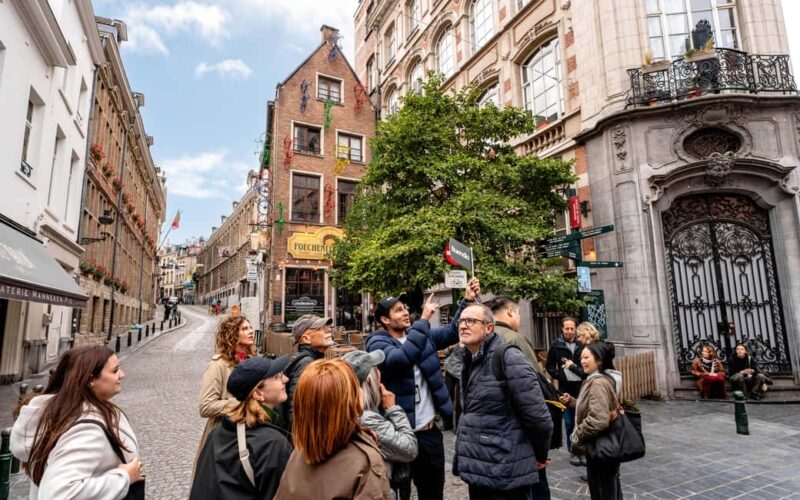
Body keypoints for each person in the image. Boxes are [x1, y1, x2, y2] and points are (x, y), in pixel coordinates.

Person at [366, 278, 480, 500]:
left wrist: (466, 301)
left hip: (429, 432)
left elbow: (450, 333)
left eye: (405, 308)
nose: (406, 312)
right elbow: (402, 359)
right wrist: (424, 319)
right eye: (399, 310)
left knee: (433, 492)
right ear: (384, 319)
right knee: (400, 493)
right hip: (398, 435)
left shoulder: (421, 335)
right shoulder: (377, 343)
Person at [11, 346, 142, 499]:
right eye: (114, 371)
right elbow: (58, 494)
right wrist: (123, 477)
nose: (122, 375)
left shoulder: (61, 412)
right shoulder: (86, 430)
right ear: (91, 379)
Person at [454, 304, 553, 500]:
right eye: (461, 321)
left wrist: (540, 456)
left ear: (488, 328)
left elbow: (539, 418)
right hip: (479, 469)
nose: (463, 326)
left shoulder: (508, 357)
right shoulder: (469, 358)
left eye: (471, 321)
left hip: (505, 471)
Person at [275, 359, 391, 499]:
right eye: (354, 386)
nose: (360, 390)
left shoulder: (300, 451)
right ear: (349, 403)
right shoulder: (366, 464)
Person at [190, 356, 293, 500]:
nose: (285, 380)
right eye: (277, 376)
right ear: (258, 394)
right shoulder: (273, 444)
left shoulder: (216, 434)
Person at [343, 349, 418, 500]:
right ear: (369, 380)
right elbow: (409, 449)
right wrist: (393, 409)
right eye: (376, 369)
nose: (380, 372)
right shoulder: (366, 419)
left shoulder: (352, 411)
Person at [559, 342, 623, 500]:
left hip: (600, 448)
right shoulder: (594, 379)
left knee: (602, 492)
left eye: (587, 357)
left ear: (599, 360)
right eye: (581, 358)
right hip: (602, 449)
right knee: (610, 490)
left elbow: (599, 419)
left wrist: (577, 435)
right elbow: (594, 407)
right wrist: (573, 402)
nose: (582, 361)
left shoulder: (597, 383)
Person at [196, 316, 257, 461]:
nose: (251, 332)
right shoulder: (218, 365)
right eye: (244, 329)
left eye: (250, 327)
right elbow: (205, 406)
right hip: (223, 436)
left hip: (248, 433)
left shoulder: (251, 360)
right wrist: (239, 403)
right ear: (231, 334)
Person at [278, 314, 334, 429]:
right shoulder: (306, 363)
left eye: (328, 327)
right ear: (306, 339)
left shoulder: (311, 359)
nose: (329, 330)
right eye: (321, 328)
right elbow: (296, 407)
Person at [545, 317, 582, 465]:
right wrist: (559, 375)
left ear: (575, 329)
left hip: (580, 388)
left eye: (572, 328)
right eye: (567, 328)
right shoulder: (556, 344)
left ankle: (582, 450)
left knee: (580, 421)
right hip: (564, 389)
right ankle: (573, 451)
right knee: (568, 422)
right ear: (562, 329)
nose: (569, 331)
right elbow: (549, 366)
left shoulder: (581, 344)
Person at [442, 344, 463, 431]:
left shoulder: (469, 339)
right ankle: (447, 424)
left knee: (460, 401)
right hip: (450, 370)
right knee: (447, 398)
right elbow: (445, 352)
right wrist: (450, 347)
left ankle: (458, 427)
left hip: (461, 372)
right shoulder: (454, 337)